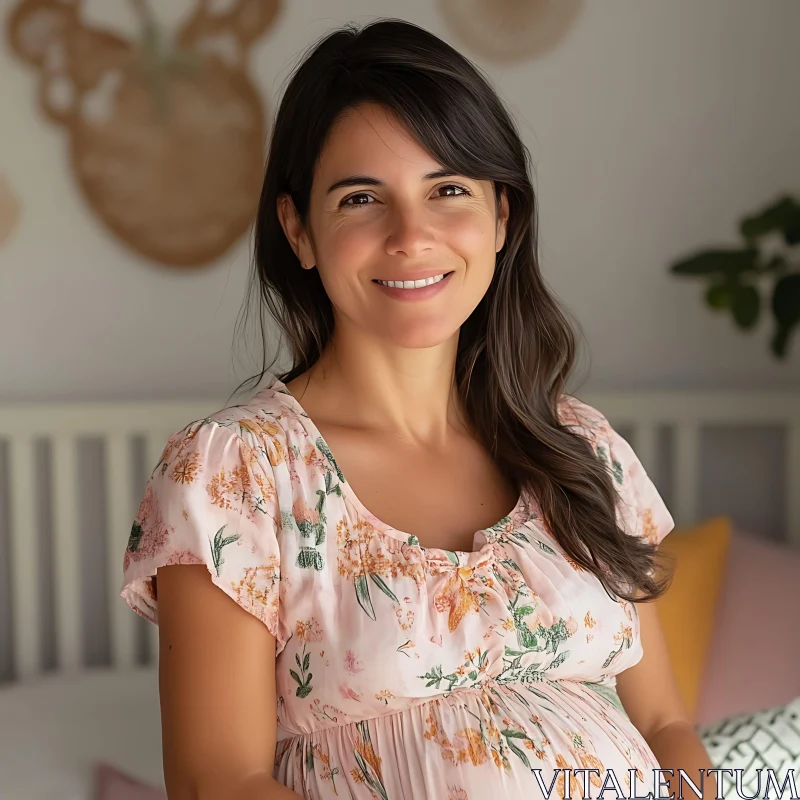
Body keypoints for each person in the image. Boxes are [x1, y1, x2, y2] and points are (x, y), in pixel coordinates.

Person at [120, 18, 715, 800]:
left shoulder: (583, 448)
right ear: (299, 230)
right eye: (362, 198)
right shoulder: (234, 476)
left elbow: (667, 724)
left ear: (502, 216)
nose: (411, 235)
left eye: (449, 190)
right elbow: (218, 782)